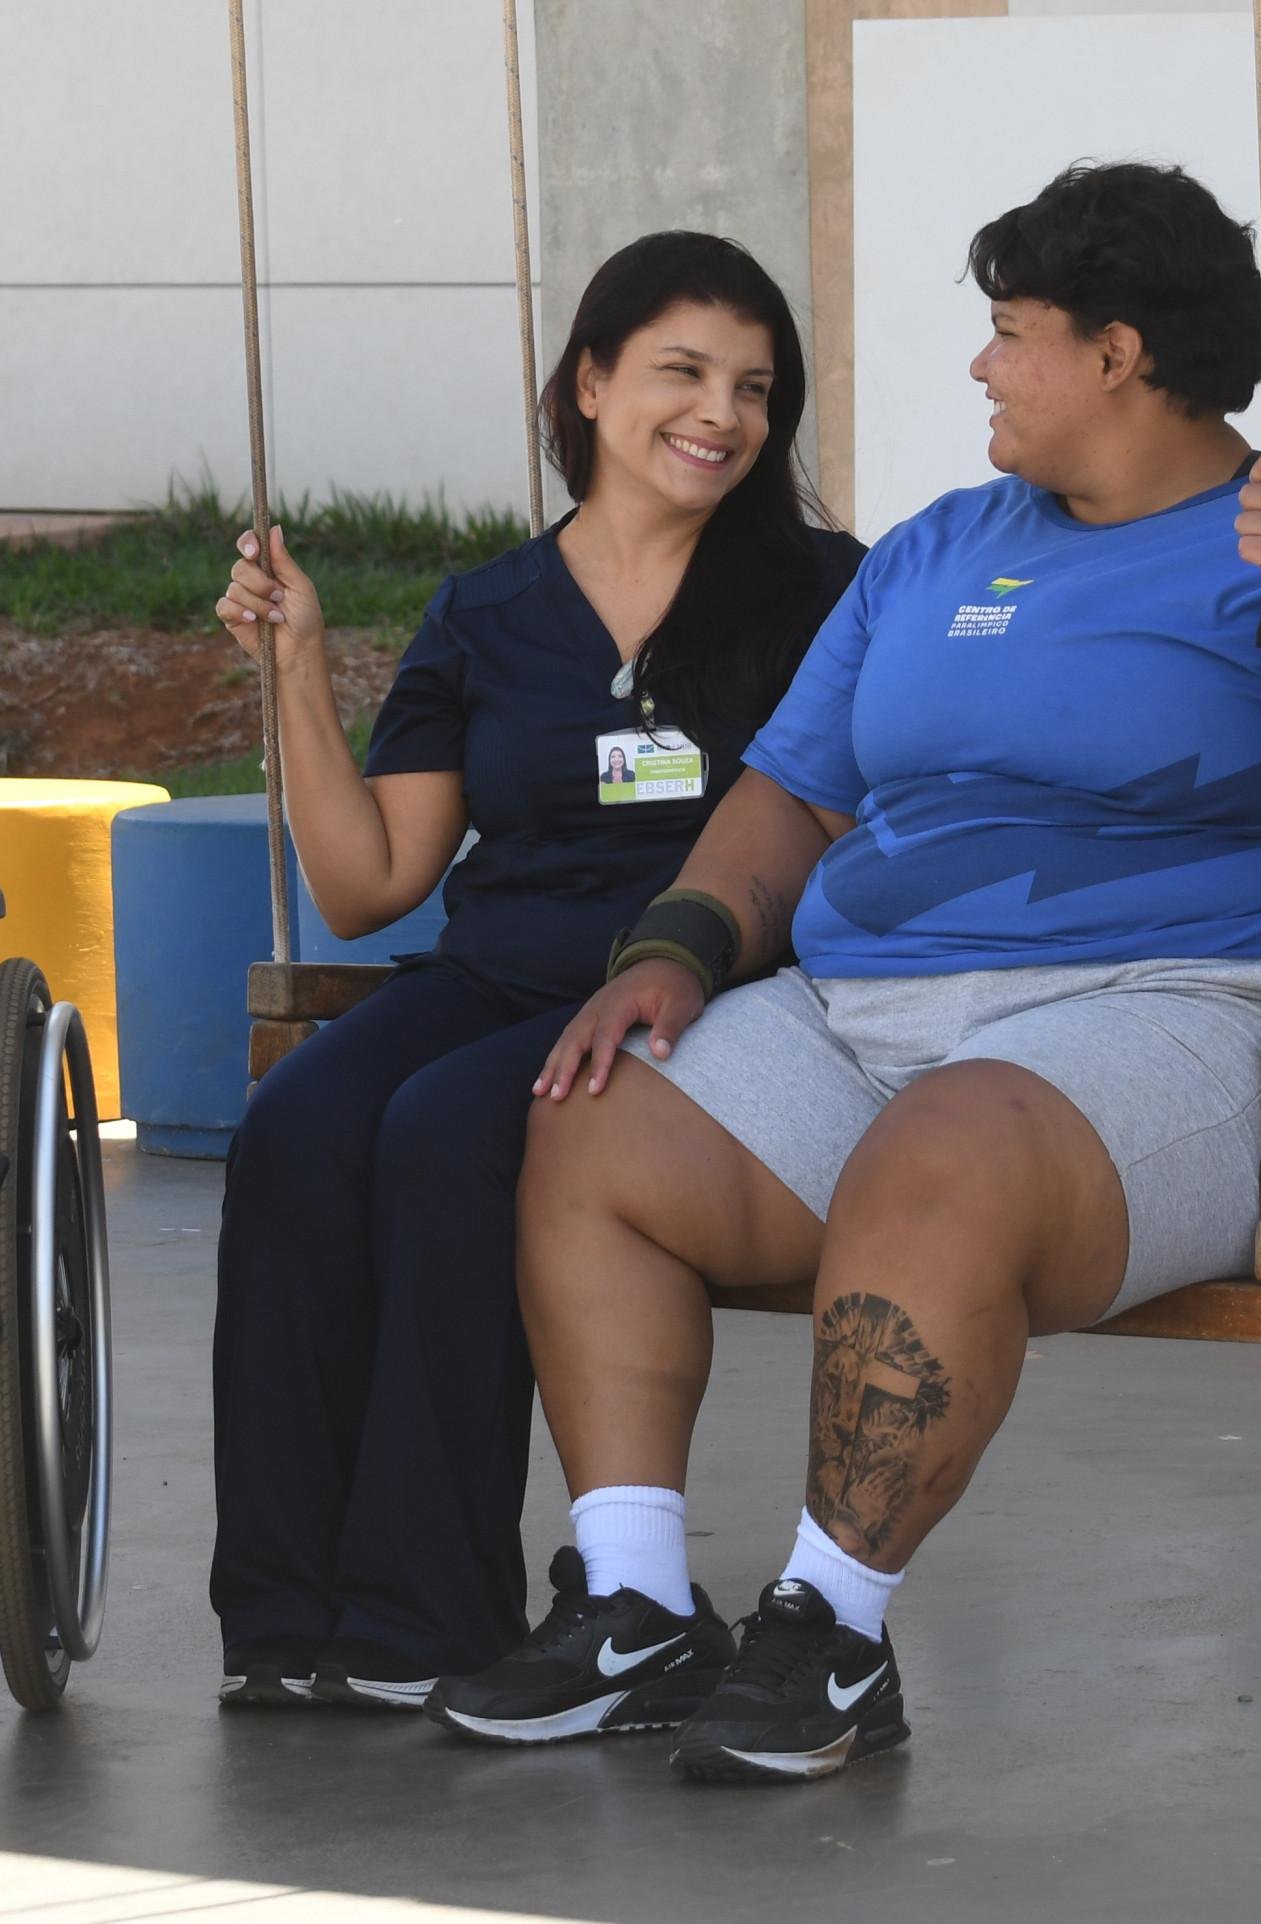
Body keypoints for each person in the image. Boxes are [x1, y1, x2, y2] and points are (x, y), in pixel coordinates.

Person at [426, 162, 1261, 1778]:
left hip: (1206, 1005)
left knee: (947, 1152)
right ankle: (637, 1604)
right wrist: (674, 950)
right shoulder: (939, 548)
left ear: (1117, 355)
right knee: (598, 1121)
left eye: (1010, 333)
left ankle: (828, 1632)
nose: (979, 366)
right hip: (883, 1011)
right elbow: (796, 792)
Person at [207, 232, 866, 1710]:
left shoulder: (821, 590)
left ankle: (419, 1618)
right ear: (590, 382)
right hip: (495, 971)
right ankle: (279, 1611)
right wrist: (299, 672)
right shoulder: (489, 610)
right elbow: (372, 882)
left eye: (757, 388)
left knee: (450, 1132)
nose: (724, 415)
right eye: (684, 372)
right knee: (302, 1125)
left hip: (707, 995)